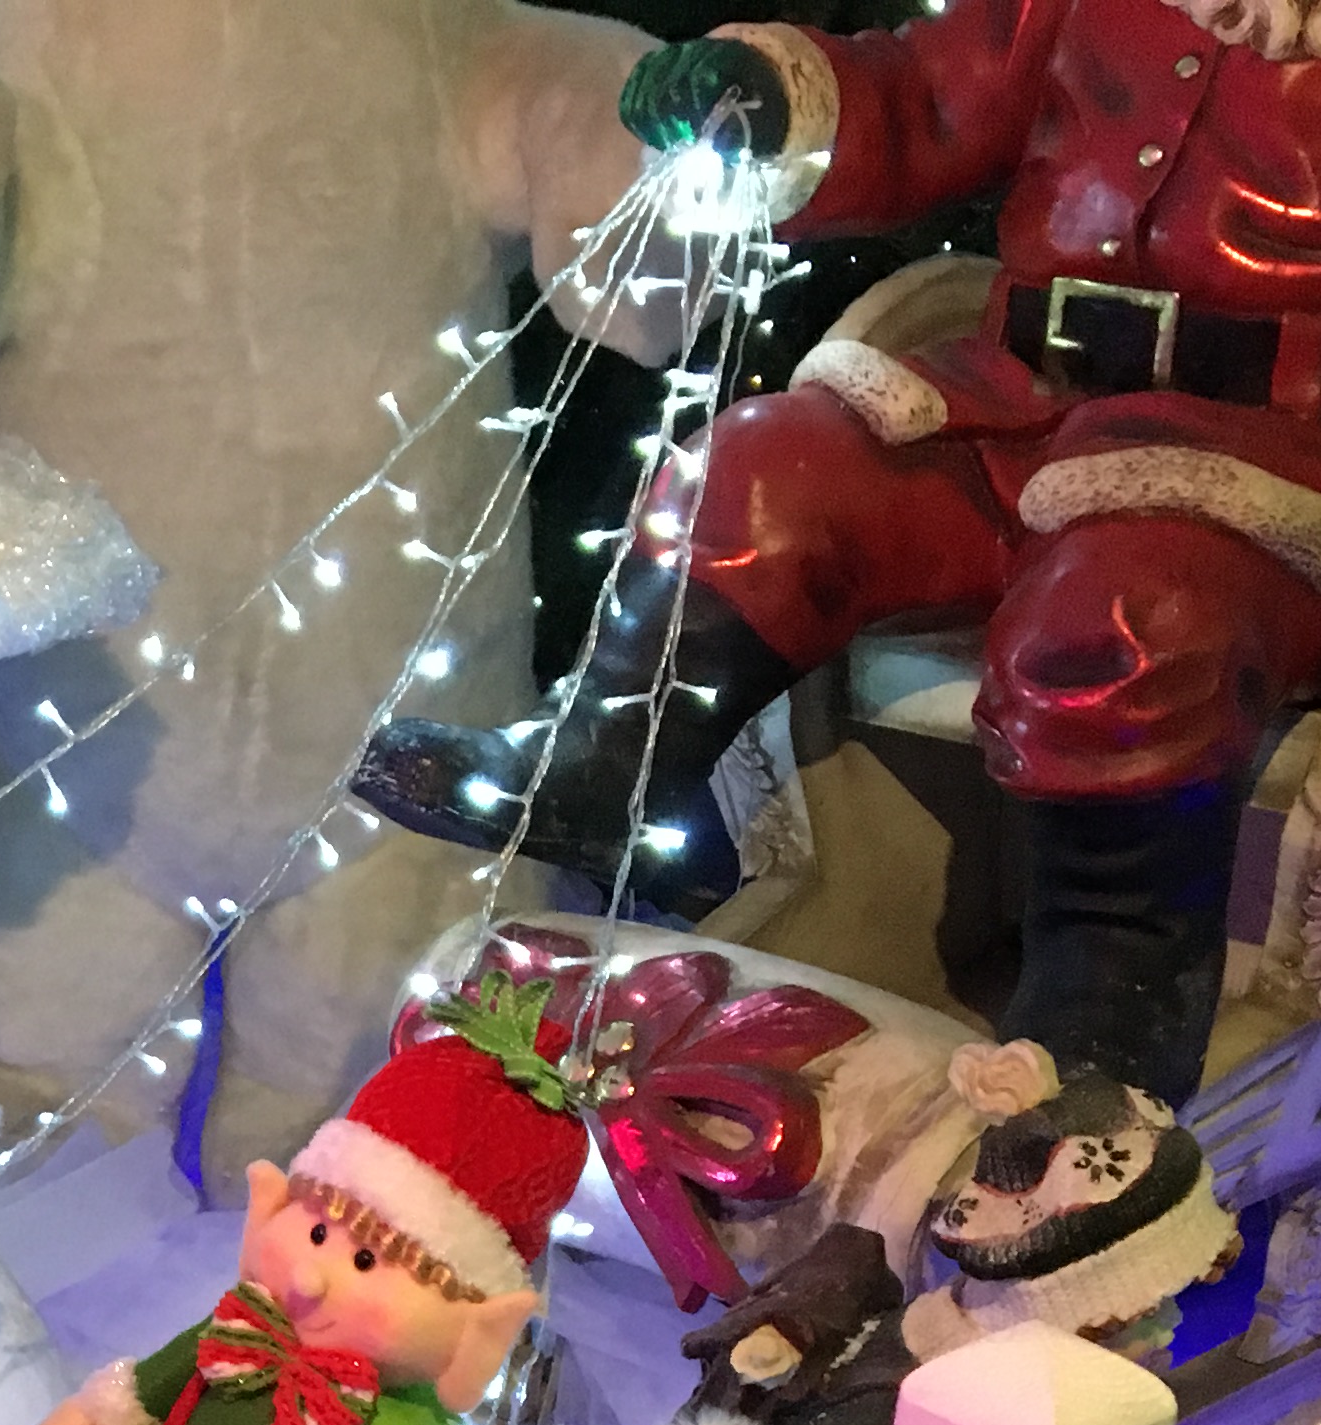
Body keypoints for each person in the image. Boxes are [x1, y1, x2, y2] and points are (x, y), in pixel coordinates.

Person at [353, 0, 1321, 1105]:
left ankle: (1113, 988)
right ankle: (605, 763)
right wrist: (769, 97)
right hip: (1016, 400)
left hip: (1258, 455)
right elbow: (921, 98)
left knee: (1130, 611)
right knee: (757, 473)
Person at [0, 968, 582, 1425]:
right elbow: (137, 1399)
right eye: (317, 1231)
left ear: (475, 1328)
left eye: (367, 1259)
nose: (308, 1279)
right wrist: (96, 1424)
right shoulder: (238, 1333)